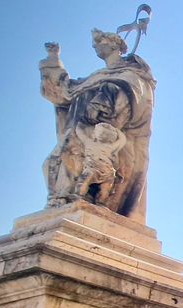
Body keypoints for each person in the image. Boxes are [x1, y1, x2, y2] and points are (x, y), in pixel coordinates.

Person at [40, 30, 156, 221]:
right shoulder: (97, 76)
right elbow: (63, 93)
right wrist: (53, 59)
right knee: (51, 164)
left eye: (99, 41)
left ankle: (83, 199)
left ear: (114, 44)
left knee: (83, 170)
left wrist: (104, 102)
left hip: (101, 135)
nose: (94, 45)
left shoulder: (132, 75)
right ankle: (61, 200)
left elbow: (135, 100)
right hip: (78, 133)